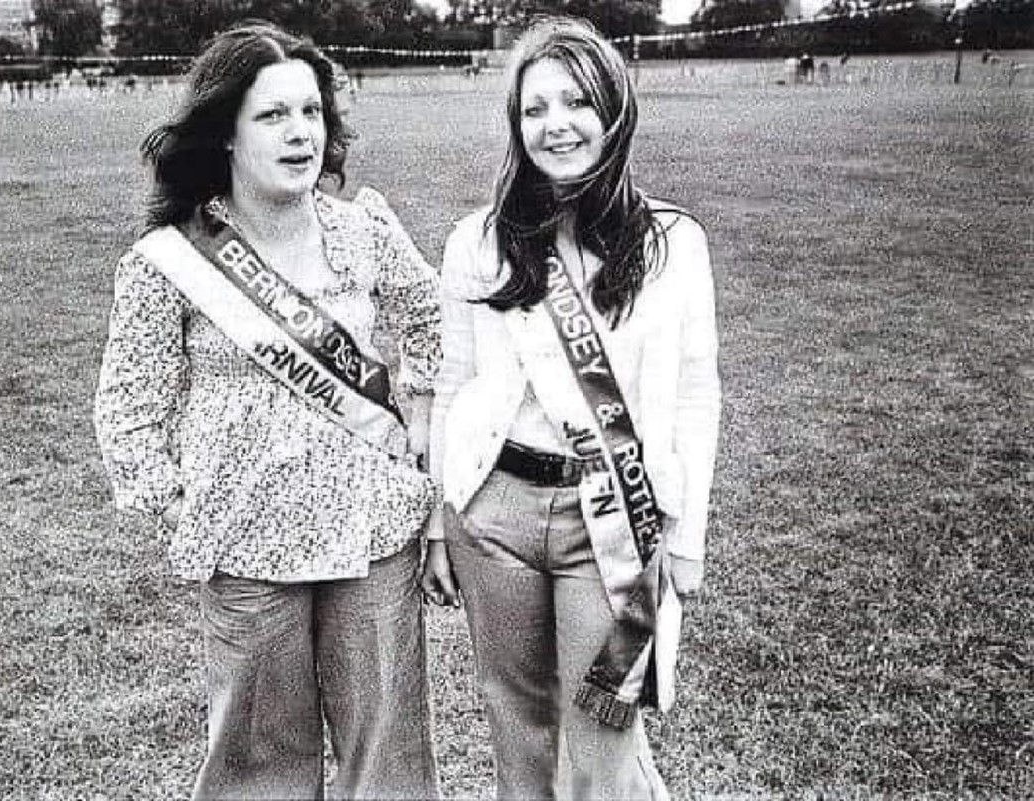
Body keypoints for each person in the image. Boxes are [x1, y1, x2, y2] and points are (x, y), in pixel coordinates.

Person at [93, 21, 442, 801]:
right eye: (273, 116)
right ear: (225, 133)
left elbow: (434, 317)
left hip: (373, 538)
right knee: (258, 772)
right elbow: (128, 410)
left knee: (387, 762)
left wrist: (418, 415)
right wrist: (184, 506)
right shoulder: (171, 261)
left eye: (311, 113)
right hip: (245, 548)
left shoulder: (364, 231)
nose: (300, 134)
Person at [421, 16, 721, 800]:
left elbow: (696, 394)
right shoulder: (477, 242)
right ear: (515, 126)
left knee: (603, 738)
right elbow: (453, 383)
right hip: (494, 513)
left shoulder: (671, 242)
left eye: (576, 102)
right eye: (534, 109)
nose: (555, 125)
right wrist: (436, 522)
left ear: (614, 111)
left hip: (616, 518)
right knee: (517, 728)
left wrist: (685, 539)